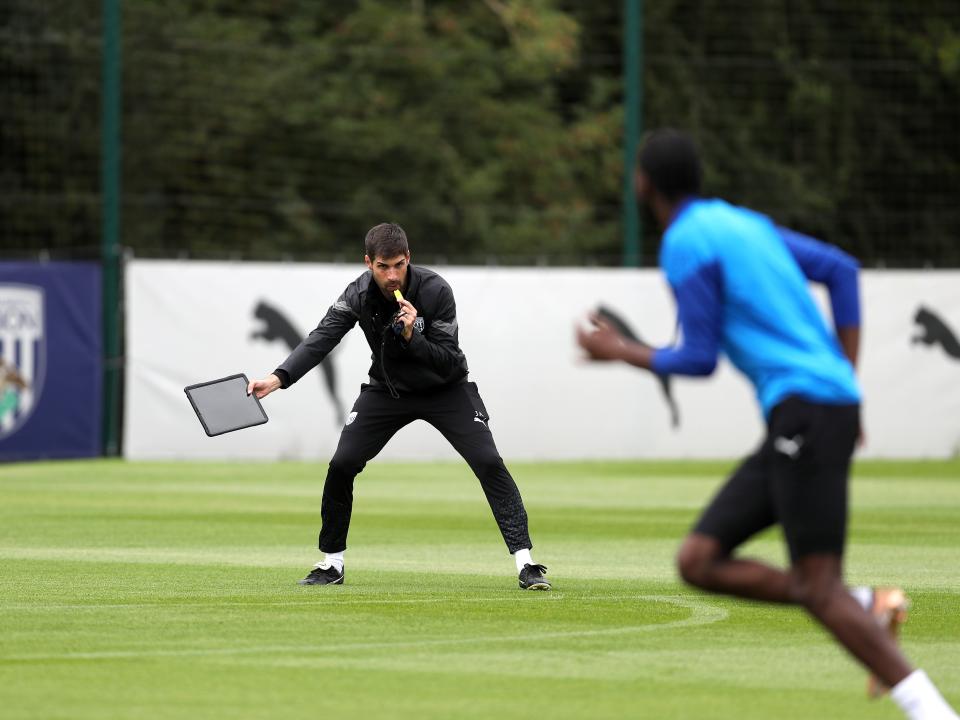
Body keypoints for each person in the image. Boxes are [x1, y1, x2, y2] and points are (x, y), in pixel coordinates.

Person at [576, 128, 957, 719]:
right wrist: (845, 379)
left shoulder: (683, 242)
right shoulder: (745, 224)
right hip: (813, 409)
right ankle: (866, 603)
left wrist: (620, 350)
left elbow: (698, 358)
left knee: (816, 586)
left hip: (806, 411)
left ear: (643, 183)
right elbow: (841, 269)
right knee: (698, 560)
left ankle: (932, 710)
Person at [248, 222, 550, 591]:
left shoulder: (436, 290)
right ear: (368, 263)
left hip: (447, 390)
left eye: (399, 265)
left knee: (488, 461)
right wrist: (279, 377)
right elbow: (321, 338)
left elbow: (448, 361)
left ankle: (526, 563)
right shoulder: (357, 294)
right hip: (387, 391)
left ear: (409, 259)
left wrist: (412, 335)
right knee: (343, 463)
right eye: (382, 267)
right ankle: (331, 564)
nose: (392, 276)